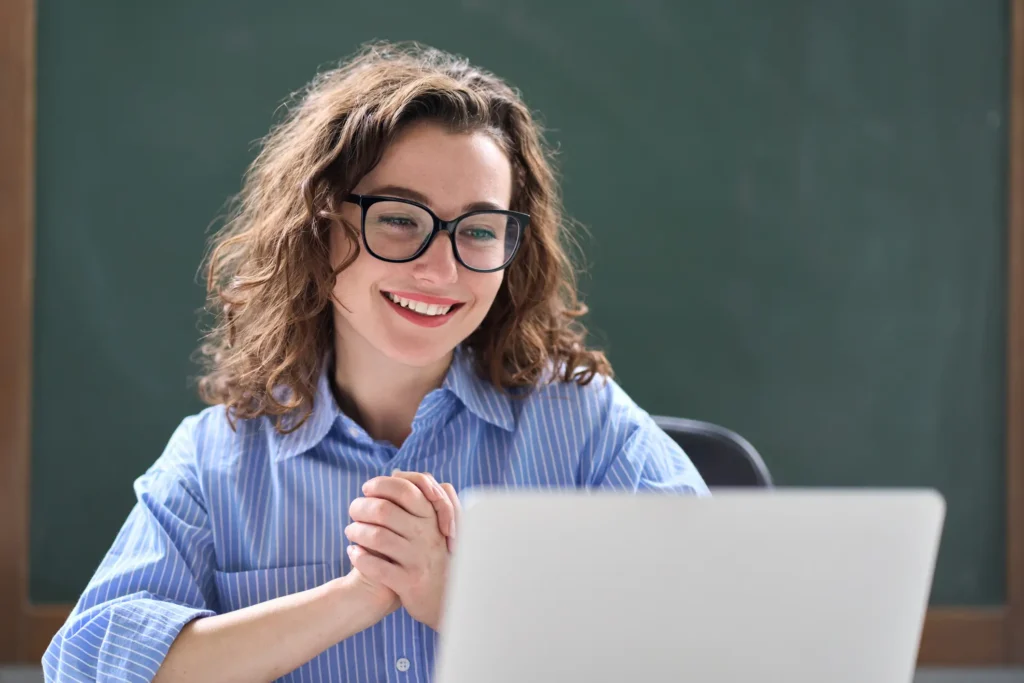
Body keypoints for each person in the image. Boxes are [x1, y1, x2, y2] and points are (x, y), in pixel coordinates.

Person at [42, 41, 708, 683]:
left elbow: (710, 634)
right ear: (322, 222)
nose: (440, 268)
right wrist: (357, 598)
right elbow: (83, 666)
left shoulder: (584, 425)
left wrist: (455, 598)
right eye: (399, 218)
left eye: (478, 230)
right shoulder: (220, 458)